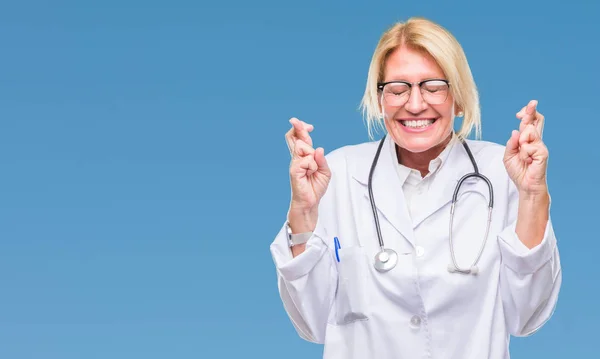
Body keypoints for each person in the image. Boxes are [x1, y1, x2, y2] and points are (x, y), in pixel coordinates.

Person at [269, 17, 561, 359]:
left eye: (433, 86)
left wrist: (532, 195)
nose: (415, 104)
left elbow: (527, 317)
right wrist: (303, 210)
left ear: (460, 97)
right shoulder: (337, 173)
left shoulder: (503, 172)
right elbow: (311, 323)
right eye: (397, 88)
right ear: (380, 100)